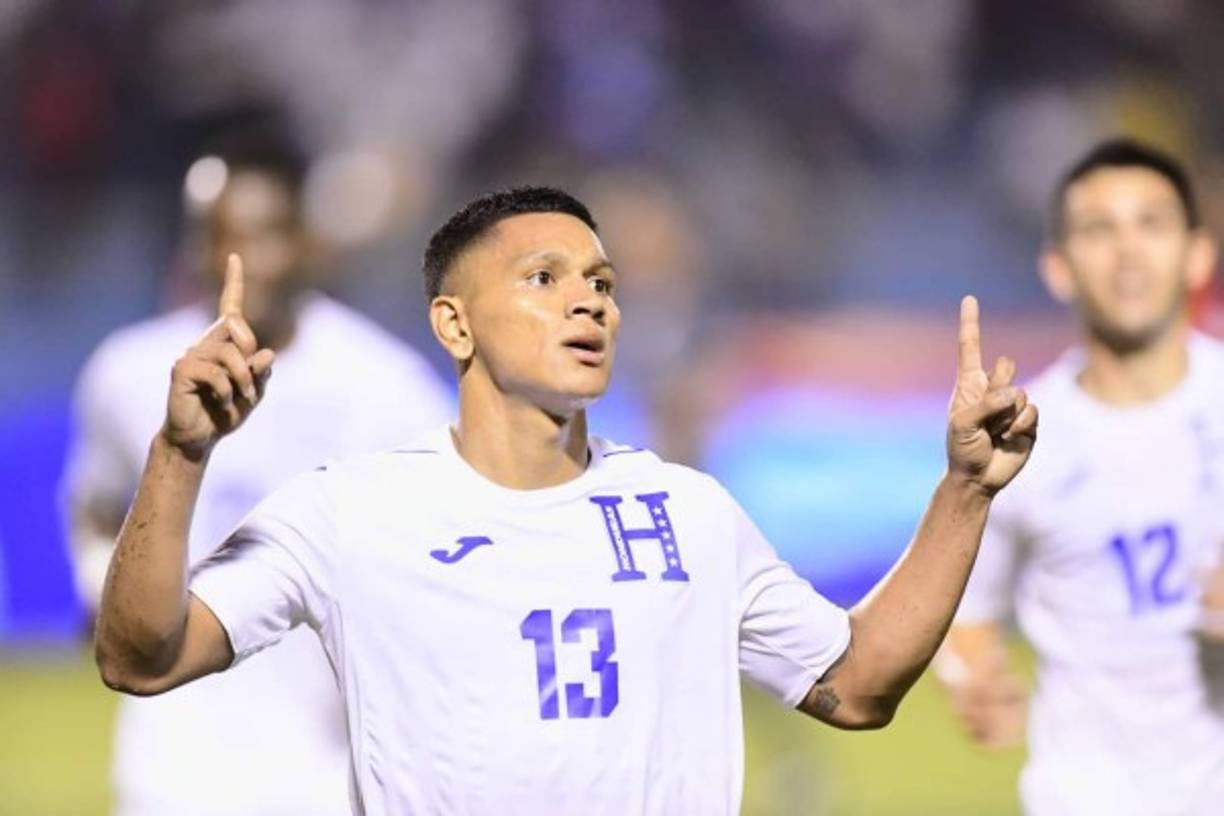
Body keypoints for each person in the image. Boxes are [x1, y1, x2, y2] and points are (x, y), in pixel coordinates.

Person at [93, 186, 1037, 814]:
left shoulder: (687, 513)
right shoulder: (352, 512)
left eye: (601, 283)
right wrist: (182, 452)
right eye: (543, 279)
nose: (588, 303)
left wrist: (964, 491)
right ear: (453, 324)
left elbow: (859, 683)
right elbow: (143, 656)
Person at [64, 130, 453, 815]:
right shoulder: (127, 371)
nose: (243, 261)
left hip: (321, 776)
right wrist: (105, 590)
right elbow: (95, 504)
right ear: (196, 248)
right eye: (221, 237)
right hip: (166, 770)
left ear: (307, 240)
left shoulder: (386, 387)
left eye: (267, 234)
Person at [939, 138, 1224, 815]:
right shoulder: (1019, 440)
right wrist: (971, 676)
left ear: (1198, 256)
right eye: (1100, 230)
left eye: (1151, 224)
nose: (1128, 251)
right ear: (1058, 267)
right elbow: (966, 617)